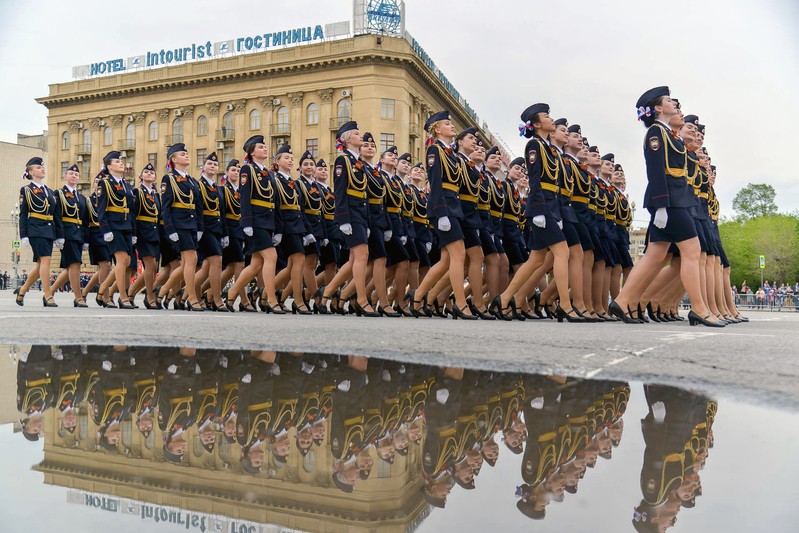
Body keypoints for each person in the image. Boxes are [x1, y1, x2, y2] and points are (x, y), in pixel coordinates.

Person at [610, 87, 723, 327]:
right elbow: (655, 170)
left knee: (655, 255)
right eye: (669, 100)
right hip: (670, 202)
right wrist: (661, 205)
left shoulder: (669, 134)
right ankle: (699, 309)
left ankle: (622, 300)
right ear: (659, 108)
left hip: (675, 200)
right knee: (692, 251)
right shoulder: (655, 132)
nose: (675, 103)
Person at [490, 103, 582, 322]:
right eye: (546, 116)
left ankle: (505, 299)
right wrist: (540, 211)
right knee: (562, 252)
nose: (551, 119)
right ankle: (566, 306)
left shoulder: (549, 148)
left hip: (551, 206)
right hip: (541, 206)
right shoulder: (535, 146)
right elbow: (536, 178)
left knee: (536, 259)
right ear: (538, 124)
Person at [409, 111, 477, 319]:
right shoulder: (434, 150)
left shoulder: (451, 153)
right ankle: (460, 303)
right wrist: (441, 213)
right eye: (447, 123)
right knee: (459, 255)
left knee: (447, 259)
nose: (452, 126)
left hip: (453, 207)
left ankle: (418, 296)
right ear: (437, 129)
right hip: (443, 208)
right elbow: (436, 182)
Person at [318, 121, 373, 316]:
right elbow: (340, 191)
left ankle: (327, 293)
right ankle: (361, 299)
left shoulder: (358, 162)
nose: (361, 137)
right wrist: (343, 219)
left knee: (353, 261)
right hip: (350, 213)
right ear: (348, 138)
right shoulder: (343, 161)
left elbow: (364, 194)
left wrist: (365, 220)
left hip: (360, 214)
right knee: (362, 256)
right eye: (357, 134)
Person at [224, 135, 280, 313]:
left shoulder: (269, 173)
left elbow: (274, 200)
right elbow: (245, 196)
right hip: (255, 221)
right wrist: (246, 222)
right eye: (261, 147)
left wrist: (277, 227)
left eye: (265, 146)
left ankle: (232, 292)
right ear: (252, 152)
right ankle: (271, 299)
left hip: (267, 221)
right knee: (271, 257)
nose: (265, 149)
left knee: (256, 264)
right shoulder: (248, 170)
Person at [156, 143, 205, 311]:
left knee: (186, 264)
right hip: (179, 225)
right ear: (174, 159)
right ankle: (191, 298)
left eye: (186, 153)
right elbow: (166, 207)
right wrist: (170, 229)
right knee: (192, 259)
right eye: (182, 154)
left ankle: (162, 291)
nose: (186, 155)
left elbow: (198, 206)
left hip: (191, 225)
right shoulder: (169, 179)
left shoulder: (192, 180)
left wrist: (199, 227)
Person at [95, 151, 137, 309]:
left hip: (126, 226)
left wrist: (133, 232)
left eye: (121, 162)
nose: (121, 163)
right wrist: (105, 230)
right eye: (117, 162)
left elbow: (131, 210)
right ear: (109, 166)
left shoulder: (126, 184)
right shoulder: (104, 184)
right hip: (113, 226)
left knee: (126, 262)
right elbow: (101, 209)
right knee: (121, 261)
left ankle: (103, 289)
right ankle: (123, 297)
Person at [15, 157, 58, 307]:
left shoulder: (50, 191)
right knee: (45, 260)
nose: (42, 169)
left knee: (41, 265)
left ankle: (22, 291)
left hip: (49, 229)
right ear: (31, 172)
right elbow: (23, 213)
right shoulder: (26, 190)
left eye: (43, 167)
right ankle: (47, 295)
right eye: (39, 168)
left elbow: (55, 214)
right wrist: (23, 234)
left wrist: (58, 235)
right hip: (36, 229)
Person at [194, 152, 230, 312]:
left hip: (216, 228)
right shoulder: (198, 185)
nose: (213, 167)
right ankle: (216, 298)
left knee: (207, 266)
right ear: (203, 168)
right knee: (217, 260)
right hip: (205, 228)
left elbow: (222, 212)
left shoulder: (217, 188)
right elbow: (197, 209)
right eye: (209, 164)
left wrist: (225, 233)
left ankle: (189, 293)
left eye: (215, 165)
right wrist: (199, 229)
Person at [49, 163, 89, 307]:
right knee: (75, 264)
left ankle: (50, 291)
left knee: (70, 267)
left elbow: (85, 220)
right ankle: (78, 297)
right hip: (66, 233)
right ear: (65, 176)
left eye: (76, 174)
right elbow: (57, 215)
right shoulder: (59, 194)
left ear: (79, 179)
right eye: (71, 173)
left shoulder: (83, 198)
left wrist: (86, 239)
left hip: (78, 234)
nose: (74, 176)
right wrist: (59, 236)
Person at [129, 163, 162, 308]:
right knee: (150, 265)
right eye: (146, 172)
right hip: (142, 232)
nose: (149, 174)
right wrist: (134, 234)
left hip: (155, 233)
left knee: (154, 267)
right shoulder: (137, 192)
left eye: (152, 172)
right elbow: (133, 214)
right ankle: (150, 297)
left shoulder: (156, 195)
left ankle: (131, 292)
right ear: (140, 177)